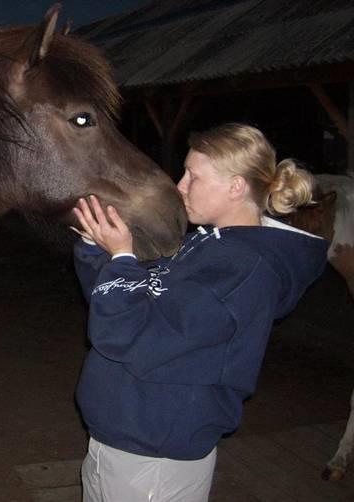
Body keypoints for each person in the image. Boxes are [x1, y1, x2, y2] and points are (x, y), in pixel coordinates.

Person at [71, 123, 329, 502]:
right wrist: (97, 248)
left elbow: (133, 334)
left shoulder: (243, 270)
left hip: (155, 458)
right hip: (122, 443)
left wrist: (122, 257)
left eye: (193, 176)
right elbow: (122, 298)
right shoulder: (202, 247)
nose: (180, 185)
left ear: (235, 187)